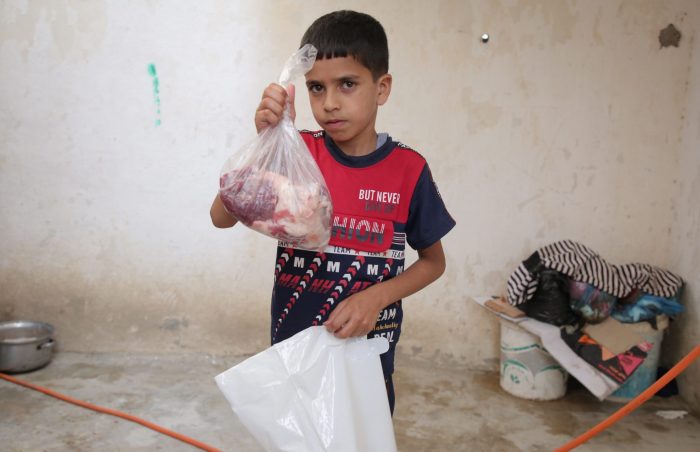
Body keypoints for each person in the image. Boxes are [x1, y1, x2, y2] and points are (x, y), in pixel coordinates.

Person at [210, 10, 455, 414]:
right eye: (316, 88)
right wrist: (267, 143)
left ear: (382, 87)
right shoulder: (300, 154)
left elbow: (433, 262)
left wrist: (377, 297)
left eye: (347, 84)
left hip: (367, 359)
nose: (330, 103)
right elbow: (221, 217)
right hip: (295, 356)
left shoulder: (409, 170)